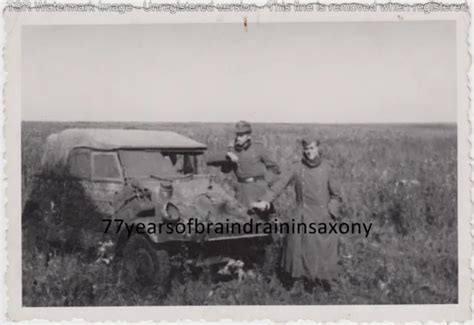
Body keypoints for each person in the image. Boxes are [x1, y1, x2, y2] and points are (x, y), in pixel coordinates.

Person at [252, 137, 343, 290]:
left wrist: (331, 212)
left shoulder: (328, 167)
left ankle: (325, 283)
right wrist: (266, 200)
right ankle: (297, 283)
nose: (309, 152)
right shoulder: (296, 167)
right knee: (296, 248)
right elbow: (279, 185)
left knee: (324, 250)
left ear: (318, 148)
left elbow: (336, 195)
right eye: (306, 149)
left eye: (312, 148)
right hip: (302, 213)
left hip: (323, 215)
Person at [206, 121, 280, 208]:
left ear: (249, 135)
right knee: (242, 217)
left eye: (241, 135)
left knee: (262, 218)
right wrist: (227, 156)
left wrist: (265, 183)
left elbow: (274, 168)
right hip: (242, 192)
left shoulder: (258, 148)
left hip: (259, 190)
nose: (238, 138)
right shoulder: (232, 150)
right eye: (237, 135)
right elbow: (210, 161)